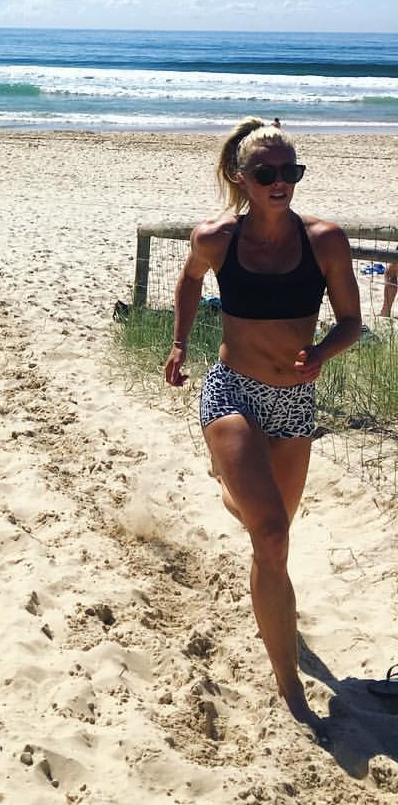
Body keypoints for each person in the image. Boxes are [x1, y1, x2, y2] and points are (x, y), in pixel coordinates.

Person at [165, 117, 361, 734]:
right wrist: (179, 343)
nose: (281, 182)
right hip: (234, 392)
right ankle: (290, 689)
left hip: (295, 403)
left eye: (290, 171)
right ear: (241, 177)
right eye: (267, 173)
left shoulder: (325, 240)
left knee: (273, 528)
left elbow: (352, 322)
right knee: (271, 537)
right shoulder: (216, 238)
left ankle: (229, 485)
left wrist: (322, 353)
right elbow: (189, 280)